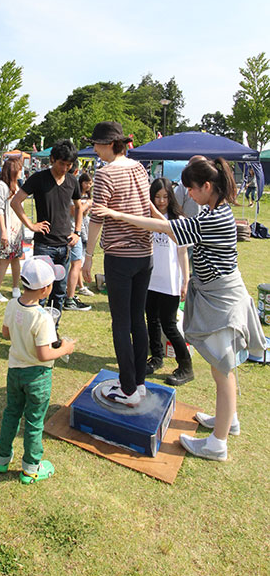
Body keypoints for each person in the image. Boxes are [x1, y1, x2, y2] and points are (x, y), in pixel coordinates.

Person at [93, 157, 265, 461]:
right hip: (221, 294)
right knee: (223, 366)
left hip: (222, 300)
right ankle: (229, 420)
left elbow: (166, 227)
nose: (188, 195)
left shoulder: (211, 220)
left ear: (207, 186)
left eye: (191, 189)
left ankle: (217, 443)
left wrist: (116, 213)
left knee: (222, 368)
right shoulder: (217, 208)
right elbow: (165, 220)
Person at [82, 121, 152, 407]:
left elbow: (97, 217)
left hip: (120, 257)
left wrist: (88, 256)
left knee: (121, 323)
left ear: (110, 144)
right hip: (145, 254)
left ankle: (127, 389)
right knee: (138, 319)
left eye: (97, 144)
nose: (95, 149)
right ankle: (138, 383)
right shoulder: (139, 168)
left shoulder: (105, 174)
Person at [0, 256, 75, 483]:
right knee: (33, 421)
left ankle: (2, 458)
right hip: (37, 376)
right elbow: (44, 354)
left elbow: (6, 333)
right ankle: (31, 467)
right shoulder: (43, 318)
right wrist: (65, 348)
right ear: (45, 289)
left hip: (15, 371)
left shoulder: (12, 304)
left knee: (11, 413)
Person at [11, 140, 83, 330]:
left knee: (59, 292)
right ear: (52, 160)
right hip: (44, 245)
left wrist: (77, 232)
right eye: (61, 163)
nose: (64, 168)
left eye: (69, 165)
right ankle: (34, 331)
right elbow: (16, 202)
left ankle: (52, 331)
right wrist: (31, 225)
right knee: (38, 291)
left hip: (65, 245)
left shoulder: (72, 181)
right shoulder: (39, 178)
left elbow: (79, 206)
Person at [144, 178, 193, 386]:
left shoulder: (179, 219)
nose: (161, 201)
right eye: (157, 197)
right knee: (151, 321)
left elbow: (183, 252)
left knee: (169, 324)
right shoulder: (146, 218)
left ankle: (186, 365)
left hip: (170, 281)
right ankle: (156, 358)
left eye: (165, 196)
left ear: (171, 197)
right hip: (149, 279)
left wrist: (185, 280)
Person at [0, 157, 24, 302]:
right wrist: (3, 231)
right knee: (4, 261)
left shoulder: (16, 187)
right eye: (20, 169)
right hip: (7, 231)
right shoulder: (1, 187)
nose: (22, 172)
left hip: (17, 231)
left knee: (16, 259)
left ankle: (16, 287)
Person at [64, 166, 92, 311]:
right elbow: (74, 210)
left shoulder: (60, 182)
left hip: (64, 230)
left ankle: (68, 295)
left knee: (68, 264)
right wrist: (87, 204)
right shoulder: (70, 184)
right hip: (71, 232)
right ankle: (69, 298)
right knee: (75, 264)